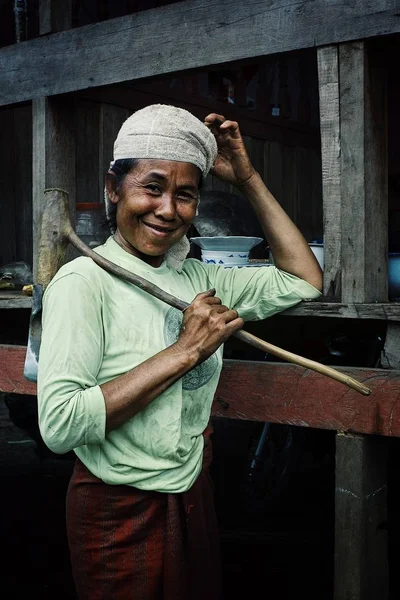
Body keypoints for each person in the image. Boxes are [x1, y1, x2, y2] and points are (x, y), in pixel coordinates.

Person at [37, 104, 322, 600]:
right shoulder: (84, 282)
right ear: (113, 188)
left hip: (191, 495)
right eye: (151, 187)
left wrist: (248, 178)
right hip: (117, 509)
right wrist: (184, 352)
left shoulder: (195, 278)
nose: (168, 209)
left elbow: (302, 279)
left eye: (185, 194)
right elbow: (61, 425)